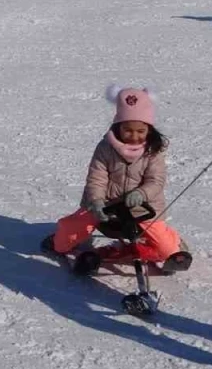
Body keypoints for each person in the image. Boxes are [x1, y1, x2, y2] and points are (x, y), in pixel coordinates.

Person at [45, 87, 189, 268]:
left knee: (166, 248)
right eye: (128, 130)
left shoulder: (153, 151)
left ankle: (171, 244)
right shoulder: (105, 148)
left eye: (140, 131)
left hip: (141, 207)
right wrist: (96, 201)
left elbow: (156, 181)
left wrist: (142, 193)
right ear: (118, 126)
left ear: (149, 130)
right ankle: (57, 242)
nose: (134, 136)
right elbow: (96, 178)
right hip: (105, 206)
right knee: (66, 236)